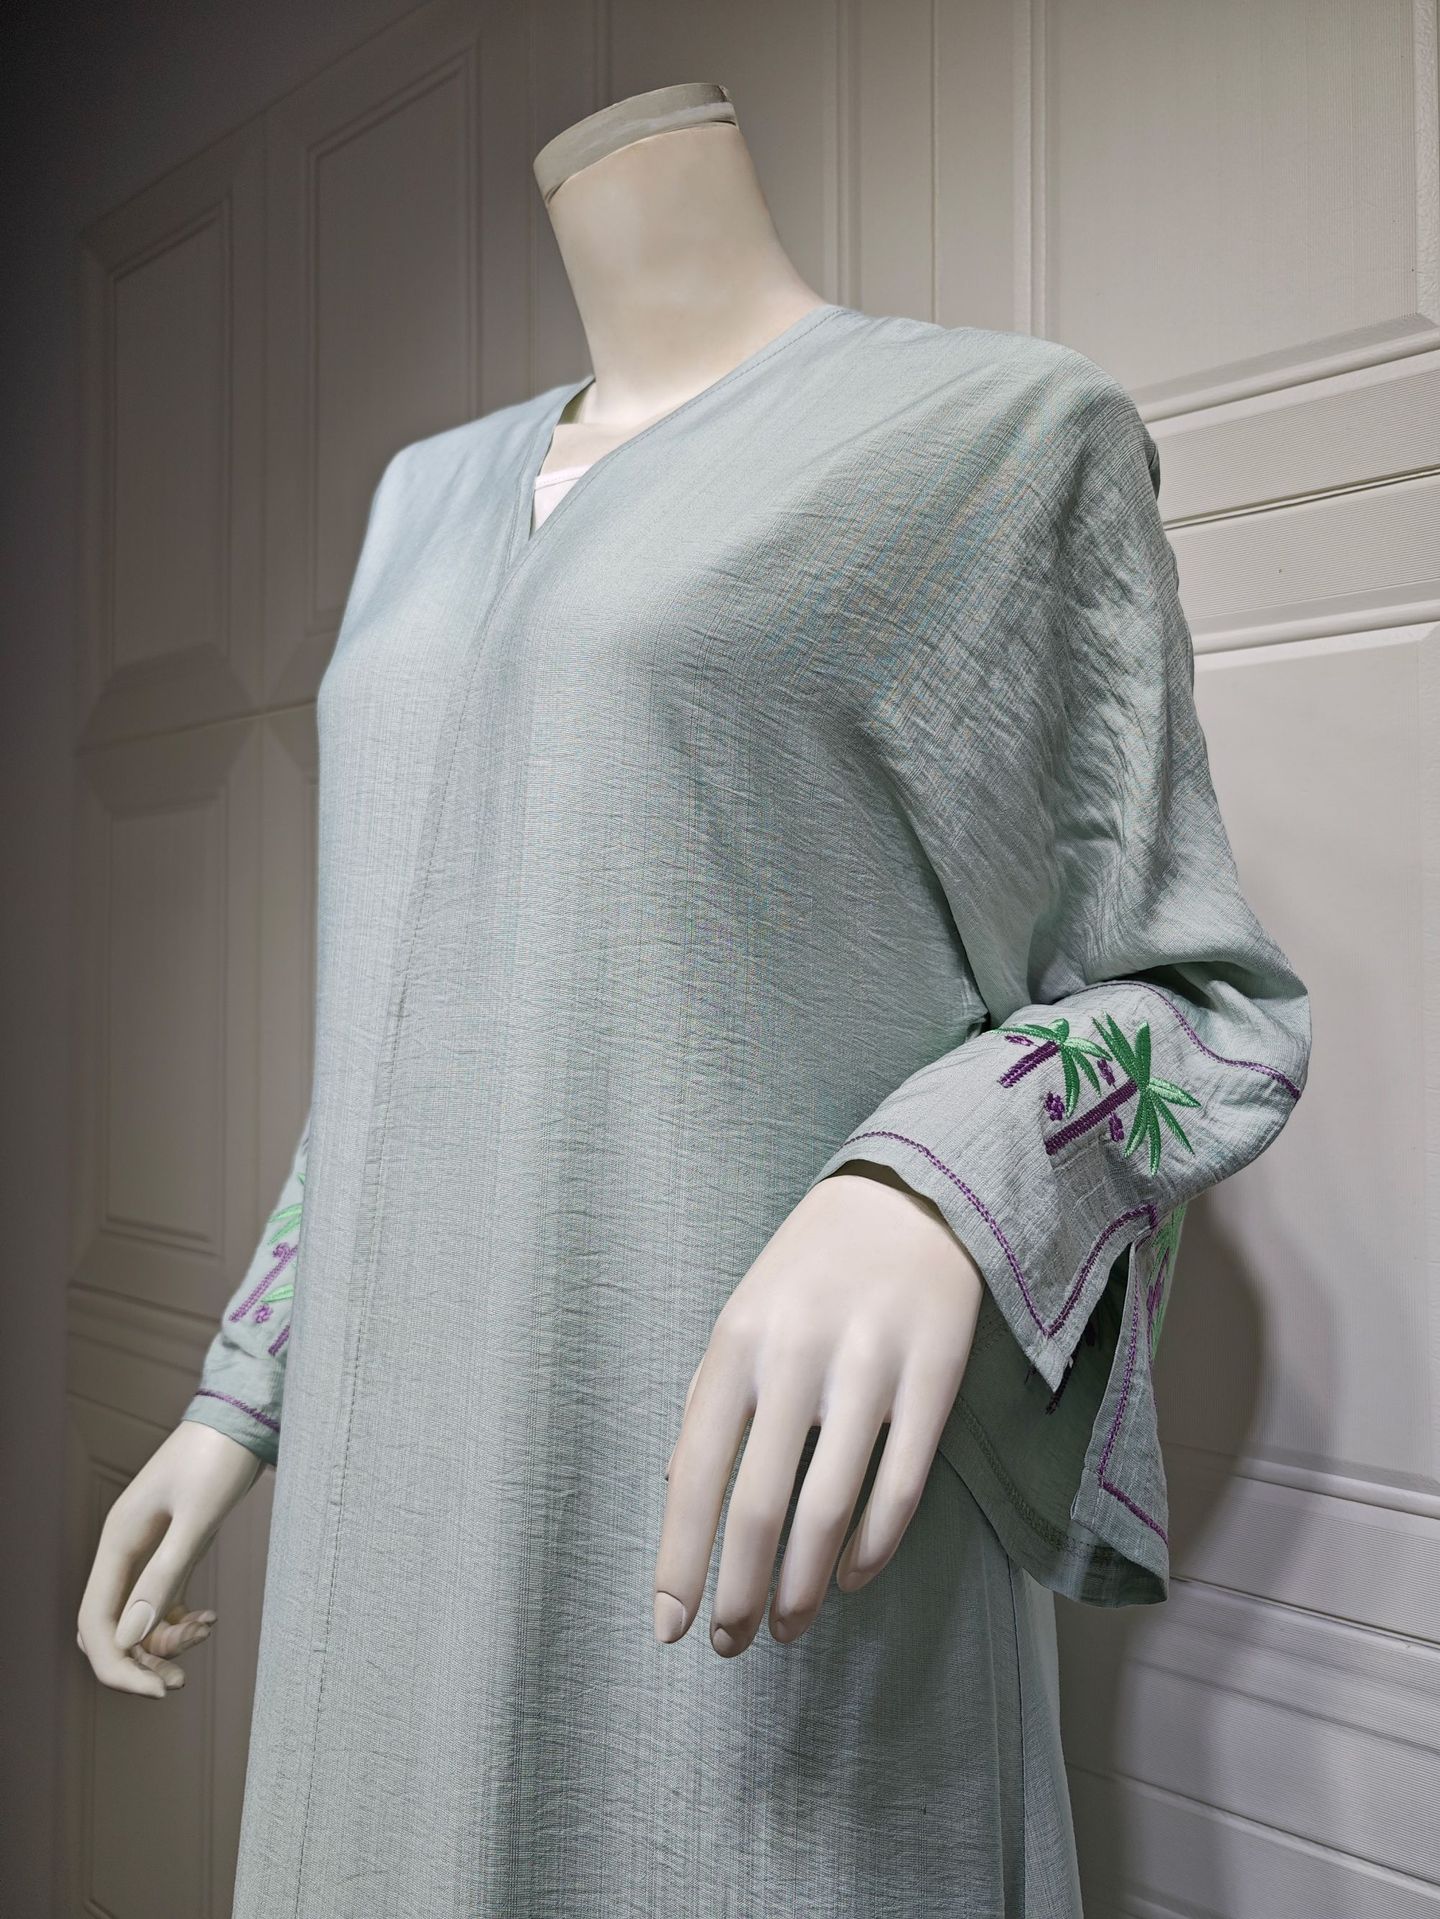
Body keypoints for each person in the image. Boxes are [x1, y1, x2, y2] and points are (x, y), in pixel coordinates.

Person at [78, 80, 1310, 1917]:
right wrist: (239, 1397)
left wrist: (929, 1189)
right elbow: (417, 1011)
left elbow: (1200, 1001)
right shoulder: (422, 495)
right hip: (390, 1497)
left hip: (744, 1527)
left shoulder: (996, 438)